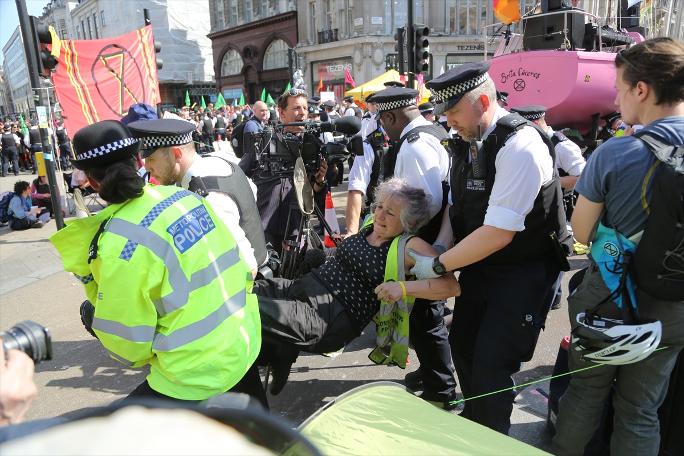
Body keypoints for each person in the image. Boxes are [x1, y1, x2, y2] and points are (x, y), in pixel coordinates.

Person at [49, 120, 265, 406]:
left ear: (91, 181)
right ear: (137, 161)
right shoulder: (186, 199)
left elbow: (129, 349)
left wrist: (95, 316)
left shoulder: (116, 246)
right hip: (243, 347)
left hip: (193, 379)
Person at [408, 62, 569, 434]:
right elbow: (456, 205)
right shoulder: (466, 140)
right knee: (462, 347)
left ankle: (491, 437)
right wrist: (441, 246)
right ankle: (475, 428)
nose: (448, 122)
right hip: (481, 267)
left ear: (483, 101)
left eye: (453, 112)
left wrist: (437, 266)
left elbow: (499, 232)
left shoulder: (521, 146)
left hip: (521, 274)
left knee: (492, 366)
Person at [553, 37, 684, 456]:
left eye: (620, 87)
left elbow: (583, 230)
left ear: (641, 89)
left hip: (609, 297)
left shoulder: (617, 151)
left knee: (585, 396)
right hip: (675, 304)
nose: (615, 97)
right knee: (642, 408)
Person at [256, 178, 460, 396]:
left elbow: (450, 286)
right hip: (303, 288)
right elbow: (348, 256)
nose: (380, 215)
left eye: (390, 213)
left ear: (407, 222)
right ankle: (279, 351)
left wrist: (402, 288)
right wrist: (320, 255)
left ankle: (277, 354)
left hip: (329, 316)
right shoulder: (370, 225)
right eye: (379, 206)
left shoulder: (409, 245)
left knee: (248, 308)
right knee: (246, 289)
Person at [364, 87, 458, 409]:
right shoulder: (432, 131)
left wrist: (401, 242)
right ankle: (430, 373)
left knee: (425, 319)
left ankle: (441, 390)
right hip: (428, 241)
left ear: (390, 116)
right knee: (422, 317)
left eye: (382, 120)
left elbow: (424, 205)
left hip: (420, 244)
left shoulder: (413, 147)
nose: (382, 128)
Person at [128, 118, 267, 276]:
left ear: (176, 154)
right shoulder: (216, 162)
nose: (146, 167)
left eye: (151, 159)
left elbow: (247, 267)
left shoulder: (207, 196)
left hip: (249, 290)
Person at [239, 88, 328, 254]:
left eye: (305, 108)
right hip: (264, 231)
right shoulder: (264, 142)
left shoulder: (311, 145)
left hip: (297, 229)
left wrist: (319, 181)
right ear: (281, 113)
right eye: (296, 108)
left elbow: (314, 198)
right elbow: (239, 177)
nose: (302, 113)